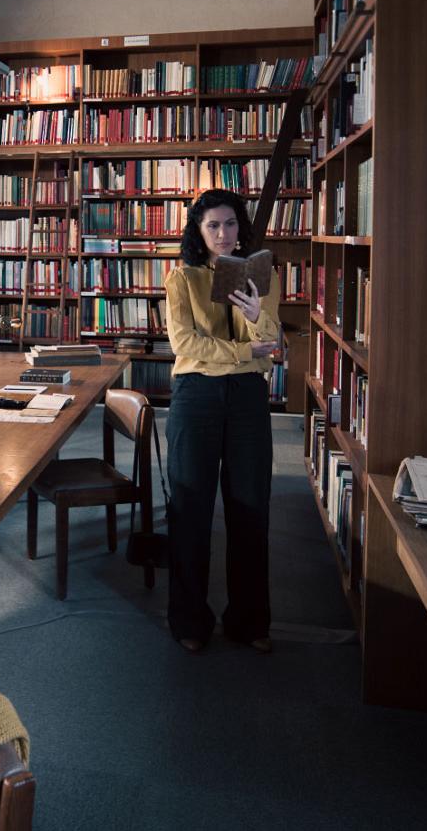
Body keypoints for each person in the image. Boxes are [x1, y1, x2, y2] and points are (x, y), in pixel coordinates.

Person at [160, 188, 282, 654]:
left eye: (230, 224)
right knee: (190, 506)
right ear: (198, 230)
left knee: (250, 505)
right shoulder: (183, 279)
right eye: (212, 225)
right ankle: (190, 621)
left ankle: (250, 621)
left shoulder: (260, 275)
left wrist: (255, 319)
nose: (223, 234)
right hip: (197, 395)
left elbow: (271, 346)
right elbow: (185, 345)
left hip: (248, 396)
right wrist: (244, 352)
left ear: (240, 227)